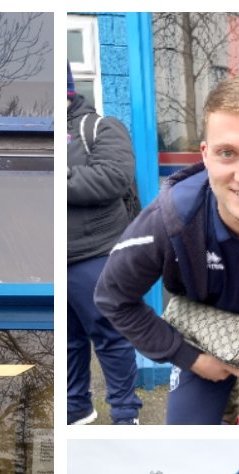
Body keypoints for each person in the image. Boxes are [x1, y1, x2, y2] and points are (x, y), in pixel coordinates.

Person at [94, 76, 239, 425]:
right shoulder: (170, 219)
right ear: (205, 156)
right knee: (185, 434)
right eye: (228, 153)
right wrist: (188, 356)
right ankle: (227, 414)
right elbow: (112, 297)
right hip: (209, 342)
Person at [67, 63, 142, 425]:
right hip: (54, 258)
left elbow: (114, 176)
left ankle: (126, 412)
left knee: (110, 335)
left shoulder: (101, 127)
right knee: (69, 341)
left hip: (96, 252)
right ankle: (75, 405)